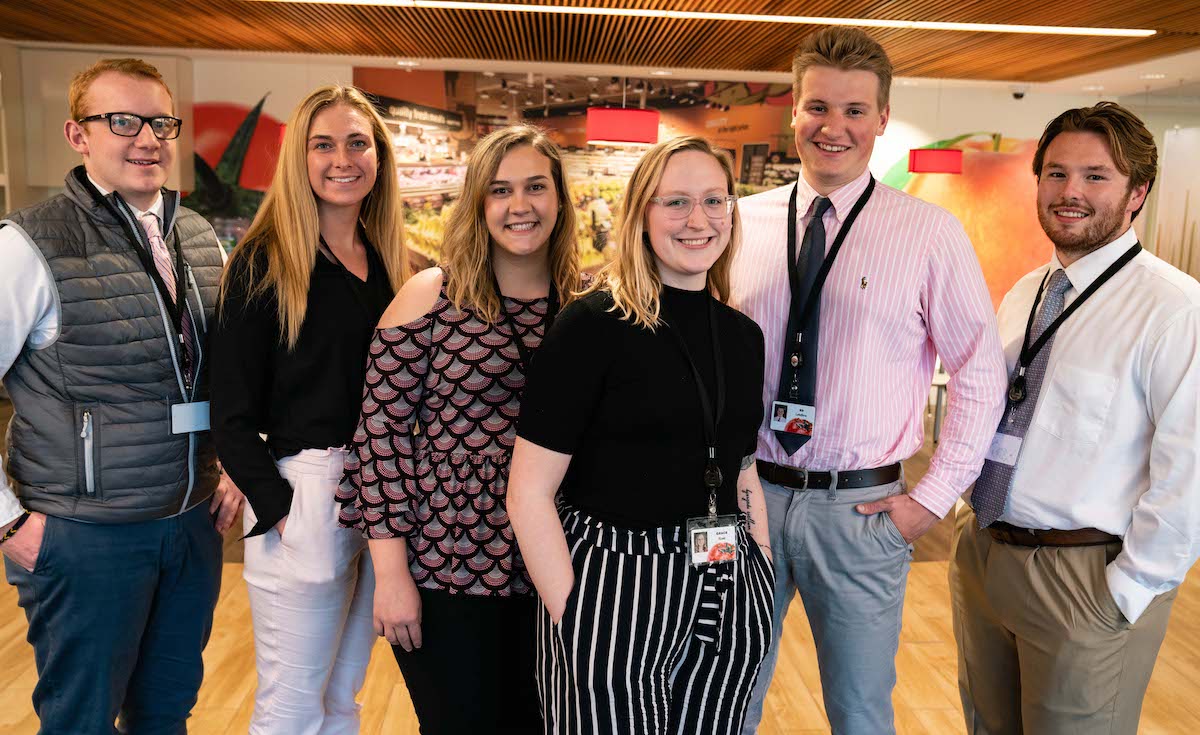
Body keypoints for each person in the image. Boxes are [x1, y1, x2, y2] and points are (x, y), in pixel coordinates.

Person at [732, 27, 1008, 734]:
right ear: (793, 111)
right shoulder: (736, 224)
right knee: (725, 697)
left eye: (855, 110)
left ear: (882, 118)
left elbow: (979, 375)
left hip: (860, 514)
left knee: (858, 713)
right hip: (745, 502)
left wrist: (932, 500)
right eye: (818, 106)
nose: (835, 127)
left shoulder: (929, 234)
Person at [0, 57, 243, 734]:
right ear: (79, 135)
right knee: (80, 718)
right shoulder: (29, 244)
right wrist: (9, 523)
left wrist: (233, 464)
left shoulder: (195, 235)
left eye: (161, 122)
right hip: (84, 534)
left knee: (166, 712)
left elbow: (218, 371)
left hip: (192, 523)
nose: (148, 138)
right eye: (123, 121)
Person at [508, 135, 775, 735]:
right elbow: (527, 494)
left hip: (725, 575)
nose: (698, 219)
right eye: (675, 202)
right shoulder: (593, 326)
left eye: (714, 200)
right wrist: (575, 617)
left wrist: (762, 562)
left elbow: (741, 465)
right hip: (615, 582)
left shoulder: (741, 337)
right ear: (641, 215)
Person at [950, 101, 1200, 734]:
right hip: (985, 556)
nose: (1070, 193)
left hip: (1083, 577)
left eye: (1096, 176)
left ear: (1137, 192)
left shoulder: (1175, 309)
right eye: (1056, 174)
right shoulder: (1025, 291)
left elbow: (1189, 471)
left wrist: (1129, 590)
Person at [337, 124, 580, 734]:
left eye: (534, 188)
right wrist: (390, 578)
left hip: (557, 575)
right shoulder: (433, 296)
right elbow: (378, 444)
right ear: (478, 204)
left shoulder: (586, 305)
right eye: (499, 190)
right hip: (446, 572)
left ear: (560, 199)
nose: (519, 206)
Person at [209, 84, 407, 734]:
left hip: (374, 495)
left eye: (358, 142)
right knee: (291, 708)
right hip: (307, 491)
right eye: (323, 143)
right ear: (299, 155)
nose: (341, 158)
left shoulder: (382, 262)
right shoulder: (264, 264)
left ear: (379, 157)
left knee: (342, 699)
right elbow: (230, 412)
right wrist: (285, 512)